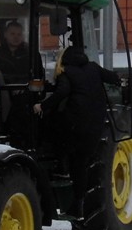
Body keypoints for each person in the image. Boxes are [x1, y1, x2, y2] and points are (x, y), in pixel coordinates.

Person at [33, 45, 120, 218]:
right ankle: (80, 204)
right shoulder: (94, 67)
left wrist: (41, 105)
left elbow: (62, 92)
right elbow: (113, 78)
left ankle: (64, 176)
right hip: (96, 121)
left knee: (68, 150)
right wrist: (119, 81)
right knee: (83, 161)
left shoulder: (66, 72)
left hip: (76, 124)